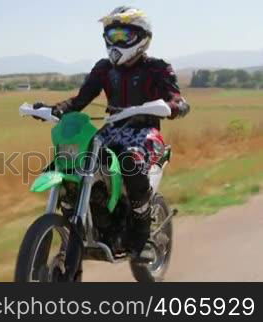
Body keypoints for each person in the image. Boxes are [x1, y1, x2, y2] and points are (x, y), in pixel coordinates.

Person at [34, 6, 190, 262]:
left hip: (144, 132)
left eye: (123, 35)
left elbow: (177, 99)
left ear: (141, 37)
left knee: (130, 163)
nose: (116, 42)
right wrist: (55, 109)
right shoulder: (104, 69)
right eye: (112, 35)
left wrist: (172, 107)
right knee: (69, 161)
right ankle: (81, 219)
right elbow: (80, 100)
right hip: (112, 129)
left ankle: (143, 237)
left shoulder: (158, 68)